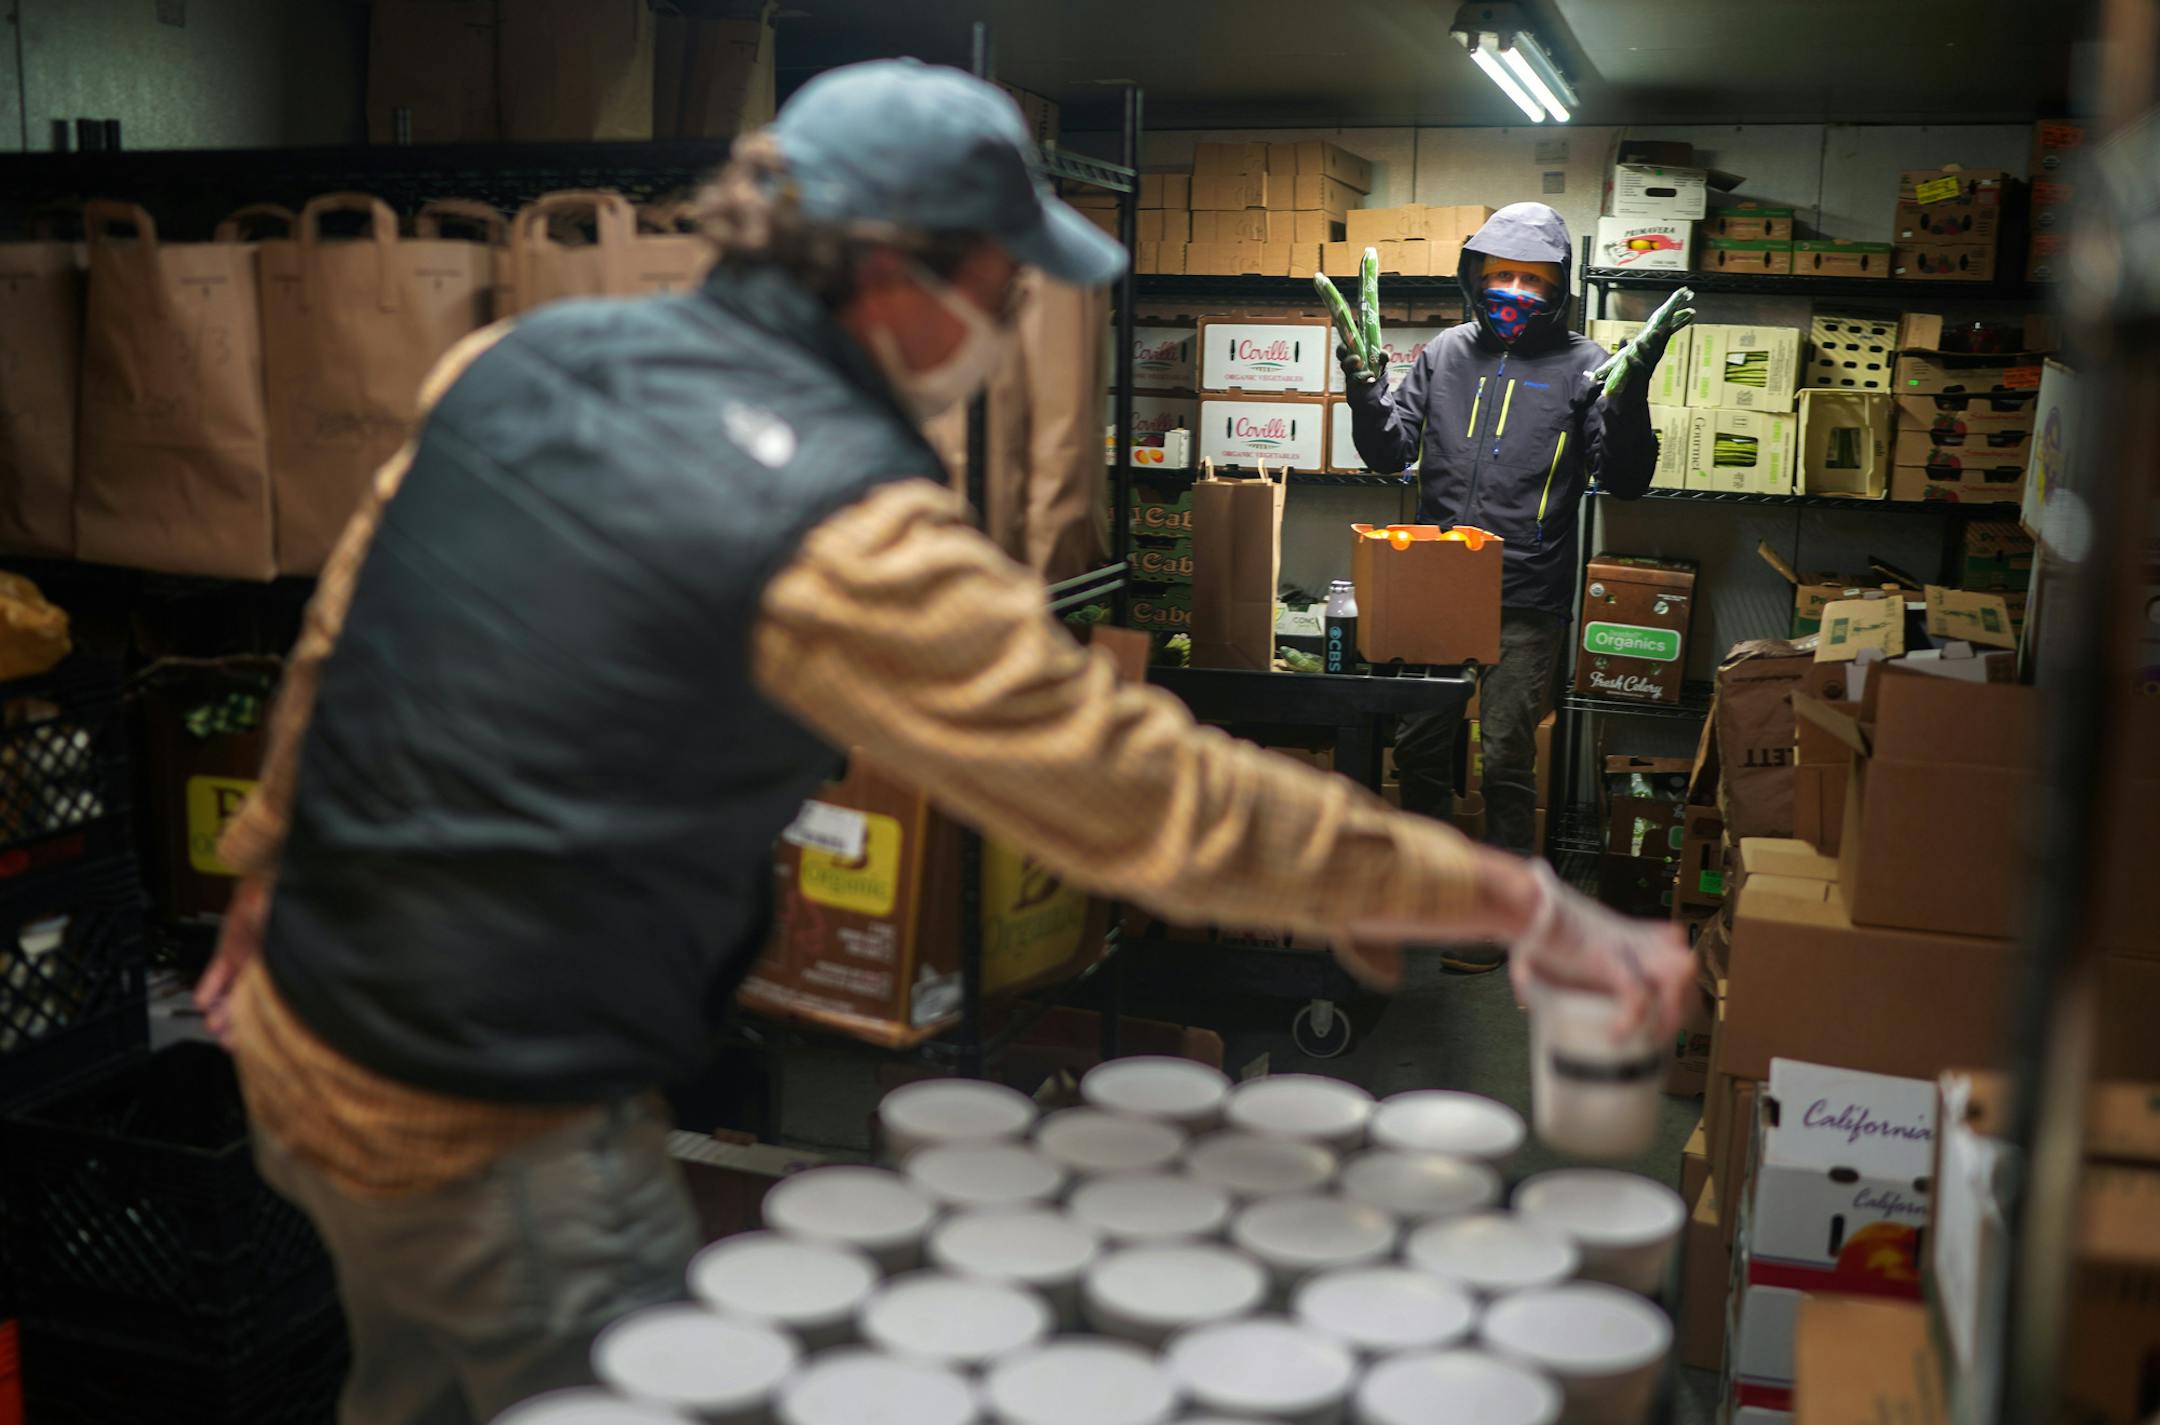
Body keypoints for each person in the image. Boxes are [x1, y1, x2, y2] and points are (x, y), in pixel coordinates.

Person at [193, 64, 1692, 1425]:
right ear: (899, 274)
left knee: (416, 1383)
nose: (1006, 328)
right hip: (486, 1095)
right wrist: (1508, 895)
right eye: (1001, 285)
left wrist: (262, 874)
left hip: (300, 1007)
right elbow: (1131, 787)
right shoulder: (832, 516)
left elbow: (353, 631)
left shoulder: (533, 359)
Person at [1342, 203, 1687, 870]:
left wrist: (1632, 391)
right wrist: (1364, 392)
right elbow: (1388, 453)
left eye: (1534, 281)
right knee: (1417, 743)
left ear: (1558, 289)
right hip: (1438, 586)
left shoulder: (1587, 365)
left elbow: (1626, 480)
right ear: (1475, 276)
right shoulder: (1445, 353)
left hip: (1527, 595)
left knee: (1503, 753)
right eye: (1502, 275)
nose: (1516, 293)